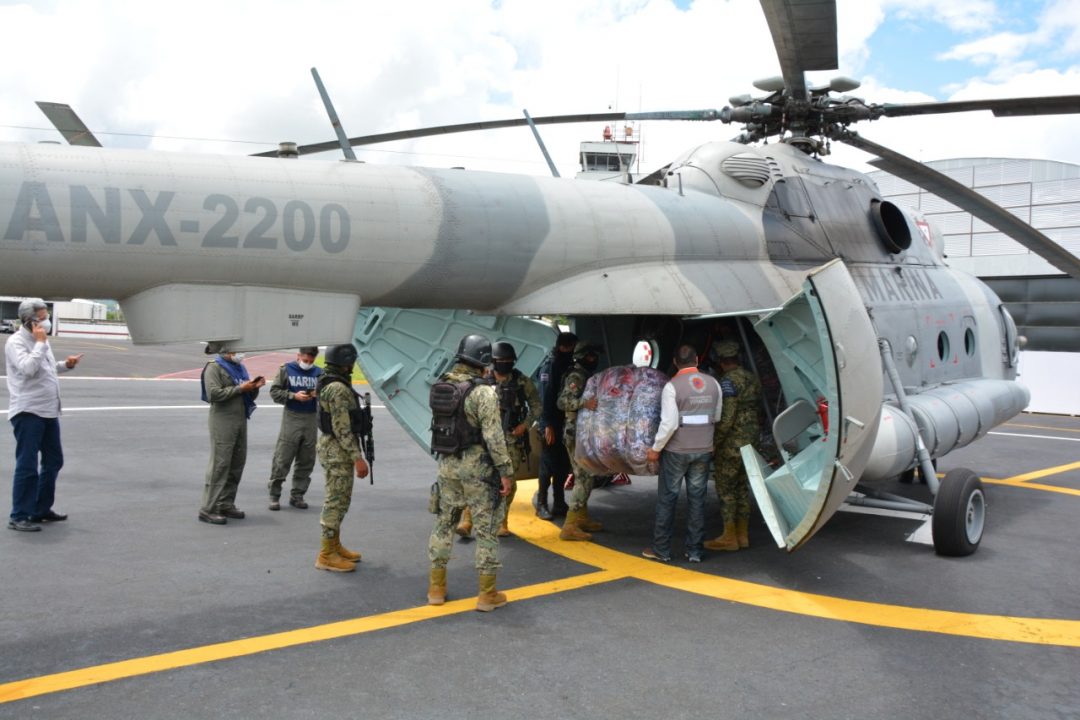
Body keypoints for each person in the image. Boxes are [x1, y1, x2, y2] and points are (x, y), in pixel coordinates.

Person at [426, 334, 513, 612]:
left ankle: (436, 588)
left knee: (444, 524)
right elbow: (494, 437)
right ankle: (487, 594)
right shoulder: (483, 392)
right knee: (486, 529)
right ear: (484, 362)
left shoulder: (442, 385)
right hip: (477, 470)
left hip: (448, 465)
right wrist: (506, 471)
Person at [5, 299, 82, 532]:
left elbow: (46, 367)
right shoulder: (16, 342)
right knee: (27, 465)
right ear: (29, 320)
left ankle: (39, 509)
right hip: (28, 410)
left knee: (53, 461)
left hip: (48, 410)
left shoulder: (42, 342)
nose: (46, 321)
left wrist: (66, 365)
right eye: (42, 317)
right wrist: (39, 344)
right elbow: (28, 368)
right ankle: (19, 515)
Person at [642, 345, 723, 563]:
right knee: (697, 501)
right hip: (703, 450)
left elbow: (668, 424)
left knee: (668, 499)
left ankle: (662, 550)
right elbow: (716, 416)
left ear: (676, 362)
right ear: (697, 359)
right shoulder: (714, 383)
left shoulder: (672, 387)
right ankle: (695, 551)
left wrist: (655, 449)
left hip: (676, 452)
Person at [314, 344, 370, 572]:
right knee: (336, 502)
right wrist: (358, 458)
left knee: (340, 500)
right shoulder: (337, 389)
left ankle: (334, 546)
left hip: (335, 449)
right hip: (338, 451)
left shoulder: (332, 382)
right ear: (346, 363)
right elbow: (342, 428)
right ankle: (326, 554)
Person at [704, 340, 764, 551]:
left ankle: (729, 537)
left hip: (731, 444)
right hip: (751, 441)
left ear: (721, 362)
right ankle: (742, 535)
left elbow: (727, 417)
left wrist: (714, 443)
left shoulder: (728, 382)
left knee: (726, 488)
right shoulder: (751, 377)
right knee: (741, 487)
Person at [199, 350, 264, 525]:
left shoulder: (240, 368)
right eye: (236, 350)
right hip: (223, 420)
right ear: (225, 350)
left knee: (237, 462)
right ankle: (208, 508)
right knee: (220, 465)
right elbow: (213, 394)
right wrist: (240, 388)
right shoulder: (215, 367)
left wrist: (254, 388)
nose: (240, 353)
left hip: (239, 419)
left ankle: (225, 503)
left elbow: (247, 394)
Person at [490, 341, 540, 536]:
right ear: (493, 361)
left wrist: (525, 425)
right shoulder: (482, 381)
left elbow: (536, 405)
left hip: (512, 438)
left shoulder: (521, 381)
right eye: (502, 361)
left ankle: (502, 520)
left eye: (509, 361)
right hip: (485, 440)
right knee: (479, 479)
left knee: (509, 481)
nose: (506, 364)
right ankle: (468, 517)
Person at [267, 346, 323, 511]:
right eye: (305, 360)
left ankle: (297, 494)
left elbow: (326, 394)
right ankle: (274, 494)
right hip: (292, 416)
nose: (308, 363)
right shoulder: (287, 370)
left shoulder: (320, 373)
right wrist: (293, 396)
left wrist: (316, 394)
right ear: (298, 356)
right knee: (283, 457)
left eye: (311, 361)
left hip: (311, 417)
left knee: (307, 459)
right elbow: (275, 392)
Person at [556, 340, 602, 541]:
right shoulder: (576, 376)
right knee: (584, 476)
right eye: (590, 356)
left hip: (581, 431)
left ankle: (581, 517)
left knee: (584, 474)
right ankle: (570, 525)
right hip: (575, 432)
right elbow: (562, 402)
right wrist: (585, 403)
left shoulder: (585, 375)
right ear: (581, 357)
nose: (594, 359)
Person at [533, 331, 576, 519]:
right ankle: (541, 503)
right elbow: (545, 397)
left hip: (563, 422)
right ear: (563, 347)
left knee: (562, 464)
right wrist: (547, 424)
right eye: (571, 347)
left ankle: (559, 502)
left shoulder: (566, 365)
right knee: (547, 464)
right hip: (550, 422)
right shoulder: (549, 367)